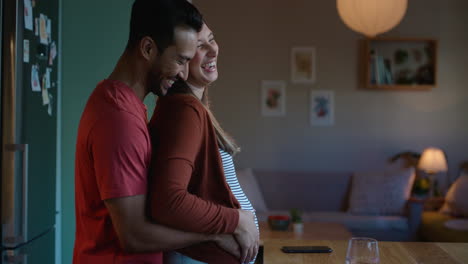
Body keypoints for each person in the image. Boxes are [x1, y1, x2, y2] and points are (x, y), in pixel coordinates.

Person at [73, 1, 253, 263]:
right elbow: (134, 236)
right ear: (147, 48)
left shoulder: (127, 106)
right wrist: (216, 231)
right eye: (180, 60)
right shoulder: (118, 119)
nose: (182, 73)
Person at [148, 22, 259, 264]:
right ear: (183, 55)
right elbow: (169, 201)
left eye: (212, 38)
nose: (213, 49)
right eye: (200, 45)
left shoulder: (191, 108)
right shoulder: (184, 109)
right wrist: (237, 220)